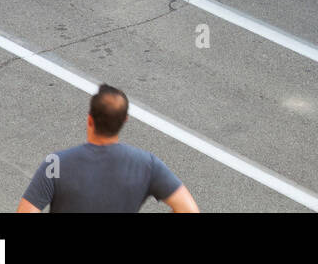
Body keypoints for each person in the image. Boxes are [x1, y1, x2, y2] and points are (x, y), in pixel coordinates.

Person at [17, 84, 198, 212]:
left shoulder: (55, 163)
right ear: (124, 120)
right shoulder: (147, 165)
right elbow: (188, 210)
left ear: (89, 119)